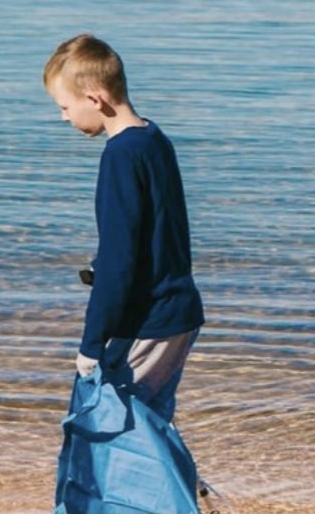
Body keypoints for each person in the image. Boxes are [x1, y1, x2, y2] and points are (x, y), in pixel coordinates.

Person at [43, 33, 205, 422]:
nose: (63, 116)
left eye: (65, 107)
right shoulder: (153, 138)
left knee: (114, 424)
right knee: (150, 420)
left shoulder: (120, 156)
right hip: (177, 312)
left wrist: (91, 343)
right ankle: (181, 482)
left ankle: (177, 484)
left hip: (149, 321)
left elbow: (120, 260)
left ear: (95, 99)